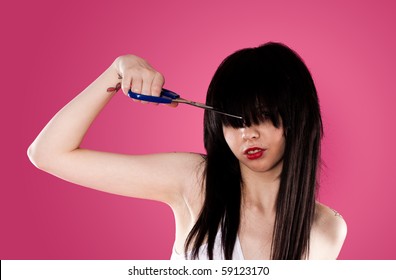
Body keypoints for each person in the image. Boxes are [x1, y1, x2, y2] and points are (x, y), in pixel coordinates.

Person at [28, 42, 347, 260]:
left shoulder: (327, 228)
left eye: (262, 116)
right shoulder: (196, 182)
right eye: (234, 121)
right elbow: (49, 154)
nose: (248, 133)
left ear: (297, 120)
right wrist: (118, 70)